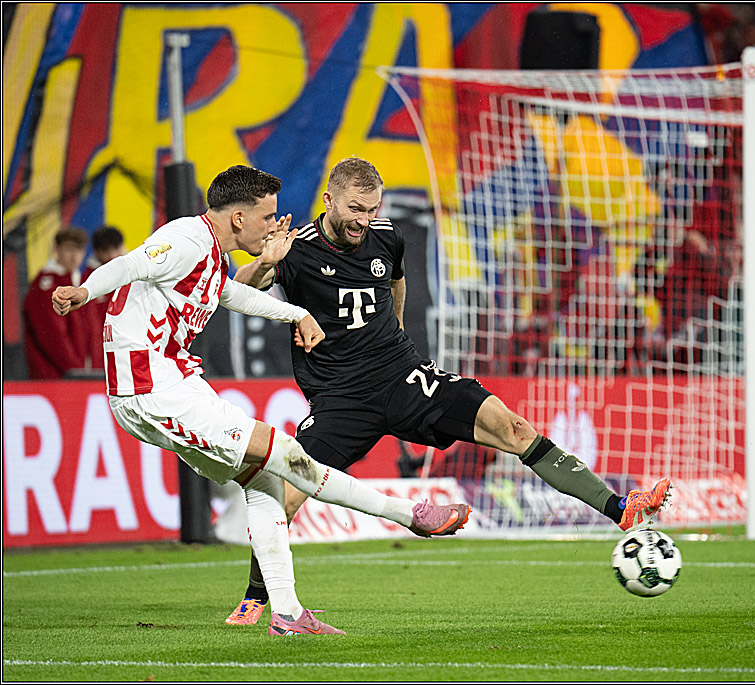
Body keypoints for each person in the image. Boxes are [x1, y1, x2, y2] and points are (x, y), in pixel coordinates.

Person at [225, 157, 673, 625]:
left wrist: (395, 333)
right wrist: (264, 264)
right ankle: (257, 596)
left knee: (512, 427)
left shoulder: (385, 236)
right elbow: (240, 291)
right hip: (341, 397)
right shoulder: (295, 250)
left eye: (372, 208)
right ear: (329, 200)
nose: (364, 220)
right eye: (355, 209)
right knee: (288, 490)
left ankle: (619, 507)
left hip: (403, 376)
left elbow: (394, 282)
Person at [52, 165, 472, 636]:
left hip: (170, 386)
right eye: (268, 216)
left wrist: (296, 313)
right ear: (237, 219)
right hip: (153, 390)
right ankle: (409, 515)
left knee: (264, 484)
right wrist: (84, 290)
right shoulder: (188, 238)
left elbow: (230, 294)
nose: (275, 225)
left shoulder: (209, 255)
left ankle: (288, 614)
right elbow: (134, 263)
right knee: (289, 456)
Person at [23, 227, 92, 378]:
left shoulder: (81, 282)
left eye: (79, 249)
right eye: (69, 249)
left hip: (78, 374)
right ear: (56, 250)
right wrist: (77, 371)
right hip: (54, 376)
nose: (74, 256)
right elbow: (52, 337)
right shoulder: (46, 285)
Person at [83, 226, 127, 368]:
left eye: (116, 249)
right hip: (101, 354)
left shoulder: (132, 275)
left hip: (127, 347)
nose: (112, 255)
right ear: (97, 252)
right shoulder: (87, 282)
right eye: (107, 250)